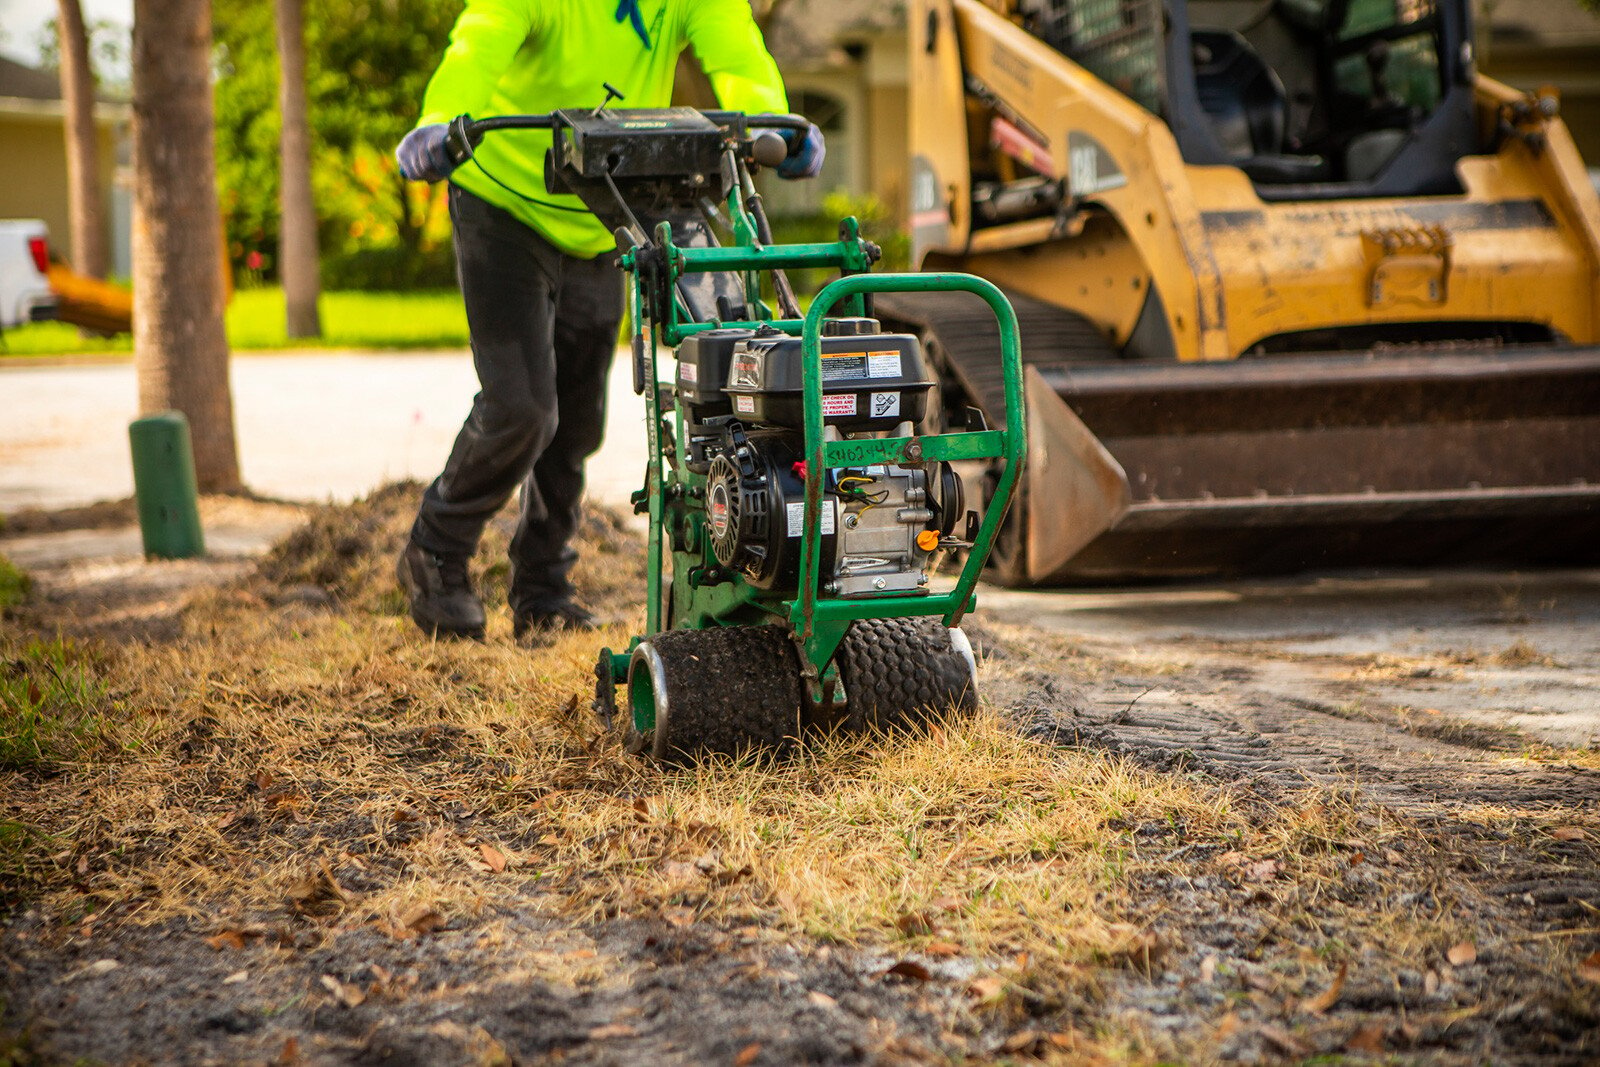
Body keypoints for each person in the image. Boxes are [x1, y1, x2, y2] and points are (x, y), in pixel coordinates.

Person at [394, 0, 823, 641]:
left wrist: (775, 121)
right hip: (503, 201)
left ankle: (542, 587)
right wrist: (436, 123)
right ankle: (435, 553)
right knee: (522, 408)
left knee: (576, 419)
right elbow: (475, 46)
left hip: (600, 203)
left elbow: (737, 53)